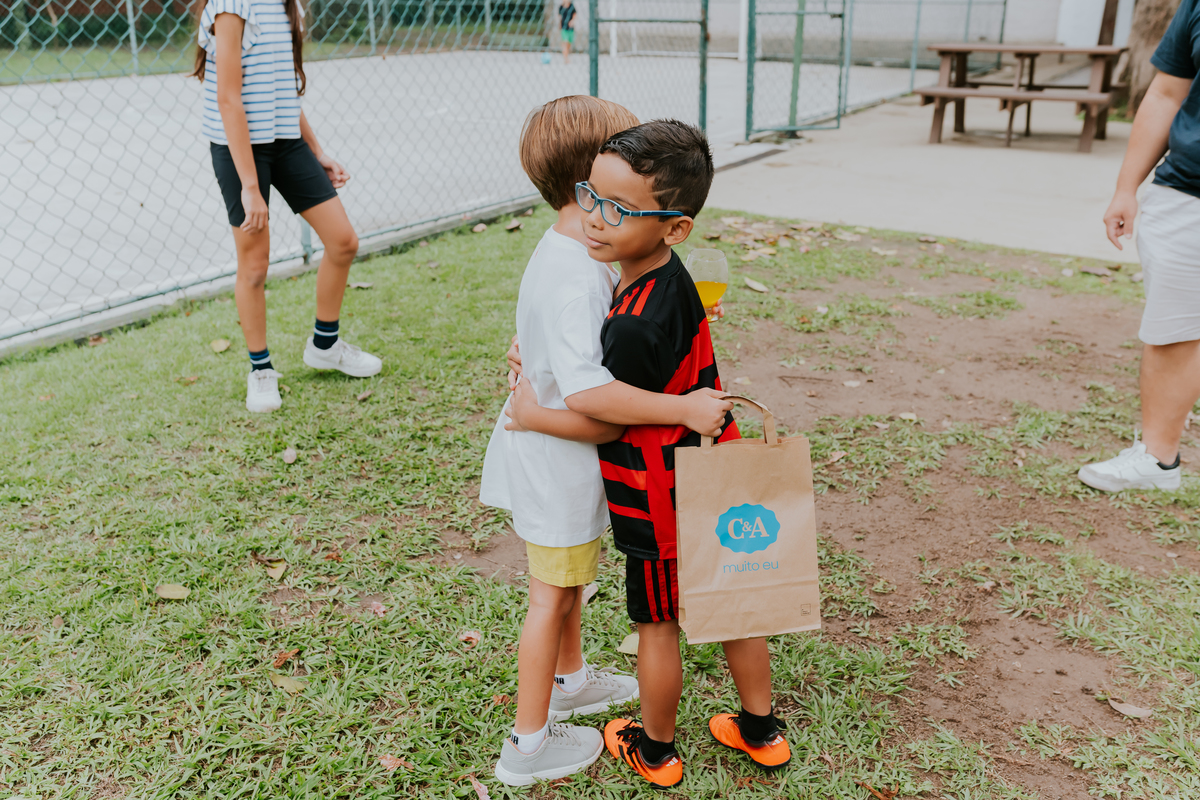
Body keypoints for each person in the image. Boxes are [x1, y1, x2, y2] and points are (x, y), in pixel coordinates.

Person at [507, 120, 790, 789]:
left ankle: (655, 750)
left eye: (619, 209)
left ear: (675, 227)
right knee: (734, 606)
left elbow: (602, 412)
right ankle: (761, 732)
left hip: (661, 496)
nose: (594, 218)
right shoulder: (670, 279)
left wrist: (533, 411)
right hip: (715, 472)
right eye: (590, 196)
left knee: (658, 625)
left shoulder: (632, 324)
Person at [193, 0, 381, 414]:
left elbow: (283, 93)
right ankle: (260, 369)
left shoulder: (286, 4)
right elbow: (228, 99)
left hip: (286, 143)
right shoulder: (232, 4)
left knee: (343, 241)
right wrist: (250, 186)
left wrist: (317, 152)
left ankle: (325, 346)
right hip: (240, 149)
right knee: (255, 265)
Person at [1083, 0, 1200, 492]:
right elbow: (1167, 91)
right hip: (1187, 192)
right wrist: (1126, 187)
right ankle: (1158, 460)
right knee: (1174, 329)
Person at [559, 1, 576, 65]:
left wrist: (572, 21)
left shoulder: (571, 6)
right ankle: (565, 58)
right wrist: (559, 24)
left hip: (570, 28)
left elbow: (575, 14)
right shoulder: (561, 7)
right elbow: (560, 16)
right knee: (565, 42)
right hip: (564, 28)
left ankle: (566, 55)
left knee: (569, 43)